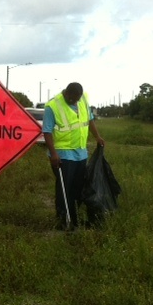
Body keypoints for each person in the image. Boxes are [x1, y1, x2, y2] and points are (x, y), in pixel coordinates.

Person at [43, 82, 105, 230]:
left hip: (80, 154)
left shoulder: (82, 100)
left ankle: (74, 218)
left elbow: (89, 120)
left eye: (77, 98)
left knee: (77, 189)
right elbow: (47, 131)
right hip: (62, 155)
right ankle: (63, 221)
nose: (75, 101)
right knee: (64, 189)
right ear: (67, 93)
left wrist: (97, 137)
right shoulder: (52, 106)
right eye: (72, 98)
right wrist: (53, 154)